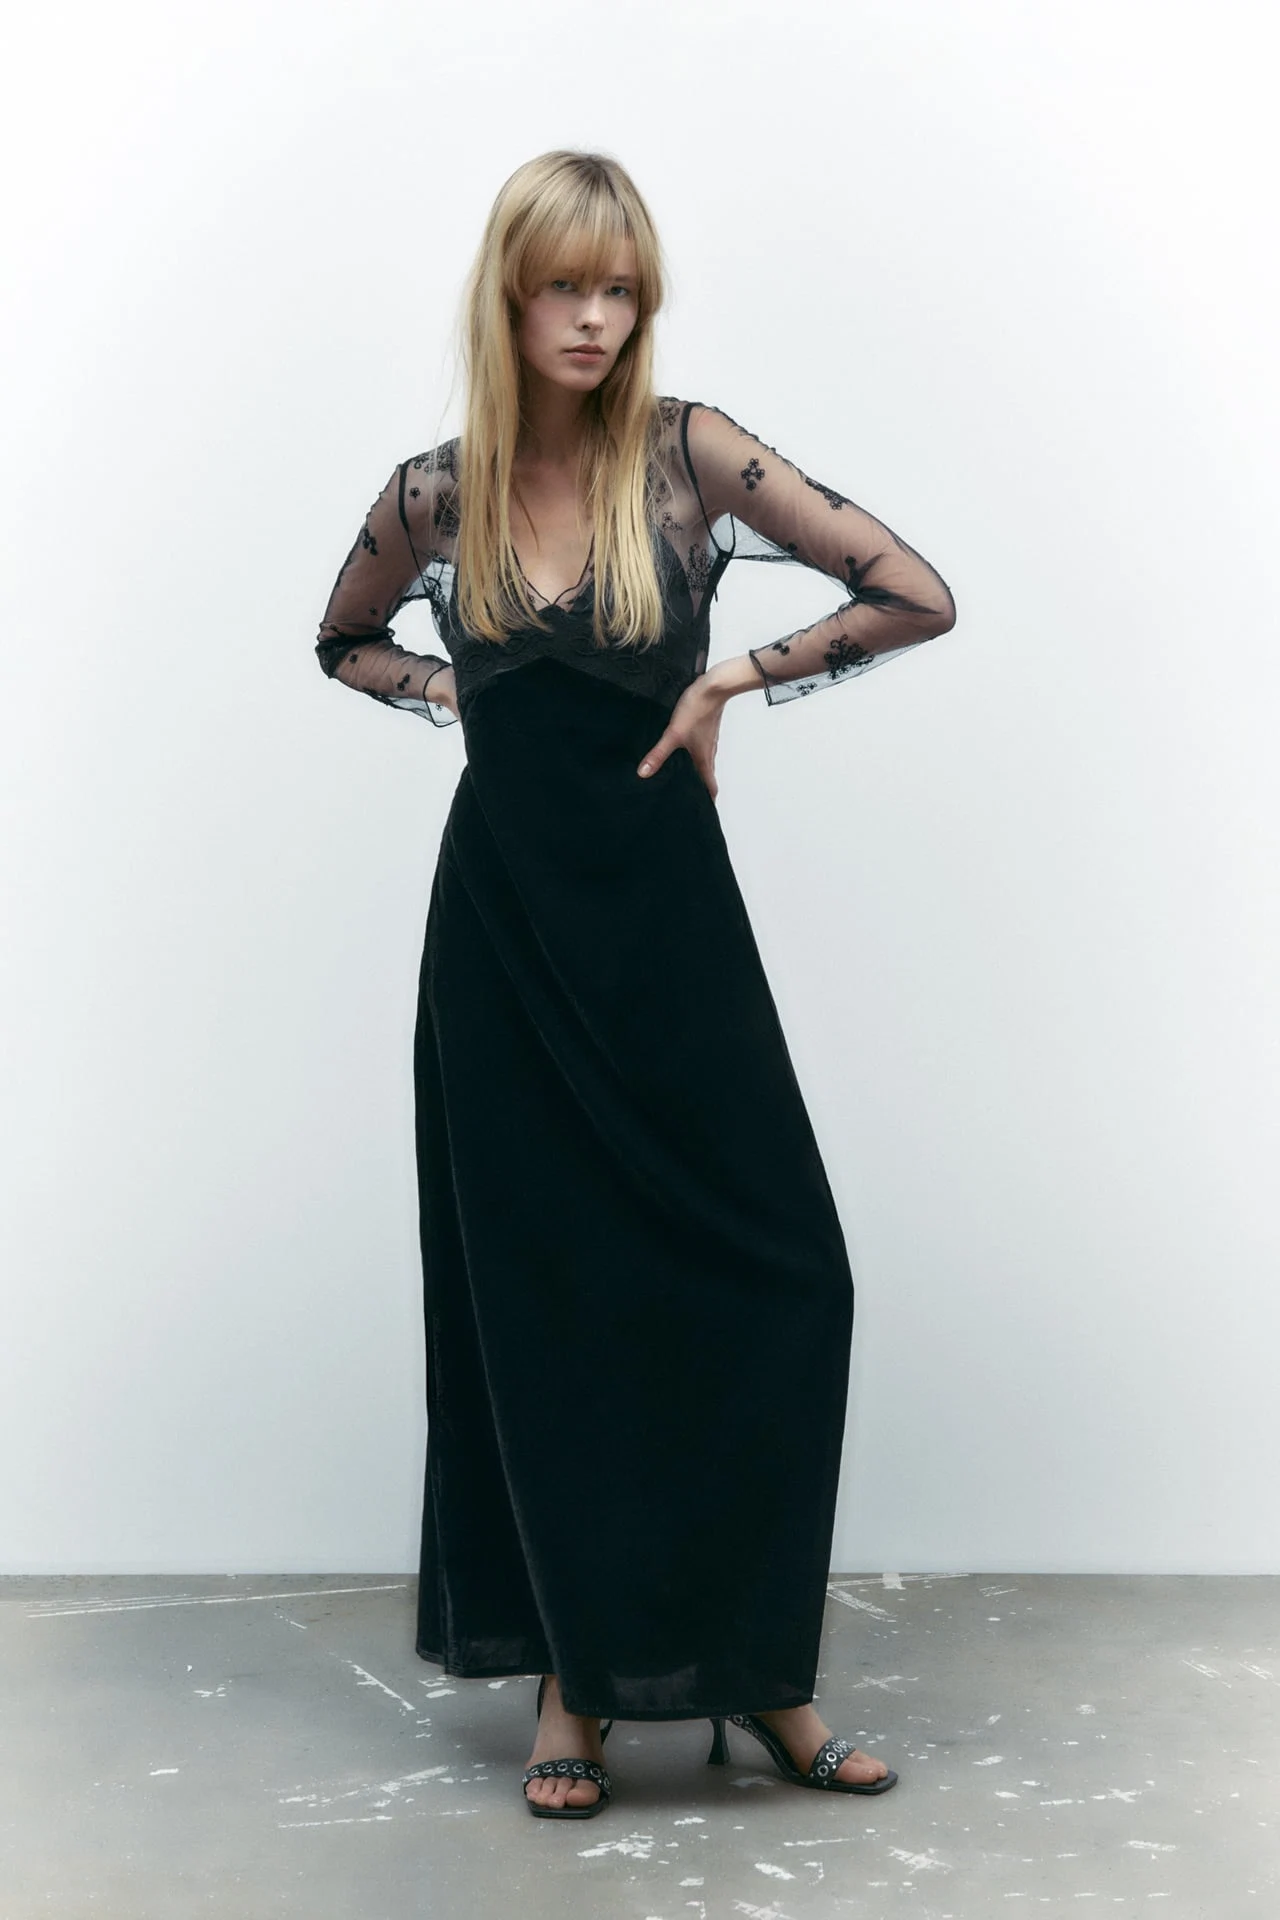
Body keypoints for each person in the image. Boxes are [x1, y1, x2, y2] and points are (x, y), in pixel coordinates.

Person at [313, 149, 957, 1821]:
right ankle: (575, 1686)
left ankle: (765, 1677)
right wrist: (455, 697)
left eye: (620, 288)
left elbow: (916, 593)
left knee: (788, 1279)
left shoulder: (690, 457)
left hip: (668, 929)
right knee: (551, 1309)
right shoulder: (432, 496)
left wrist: (732, 677)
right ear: (509, 298)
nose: (594, 317)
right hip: (503, 940)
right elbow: (341, 638)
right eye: (564, 285)